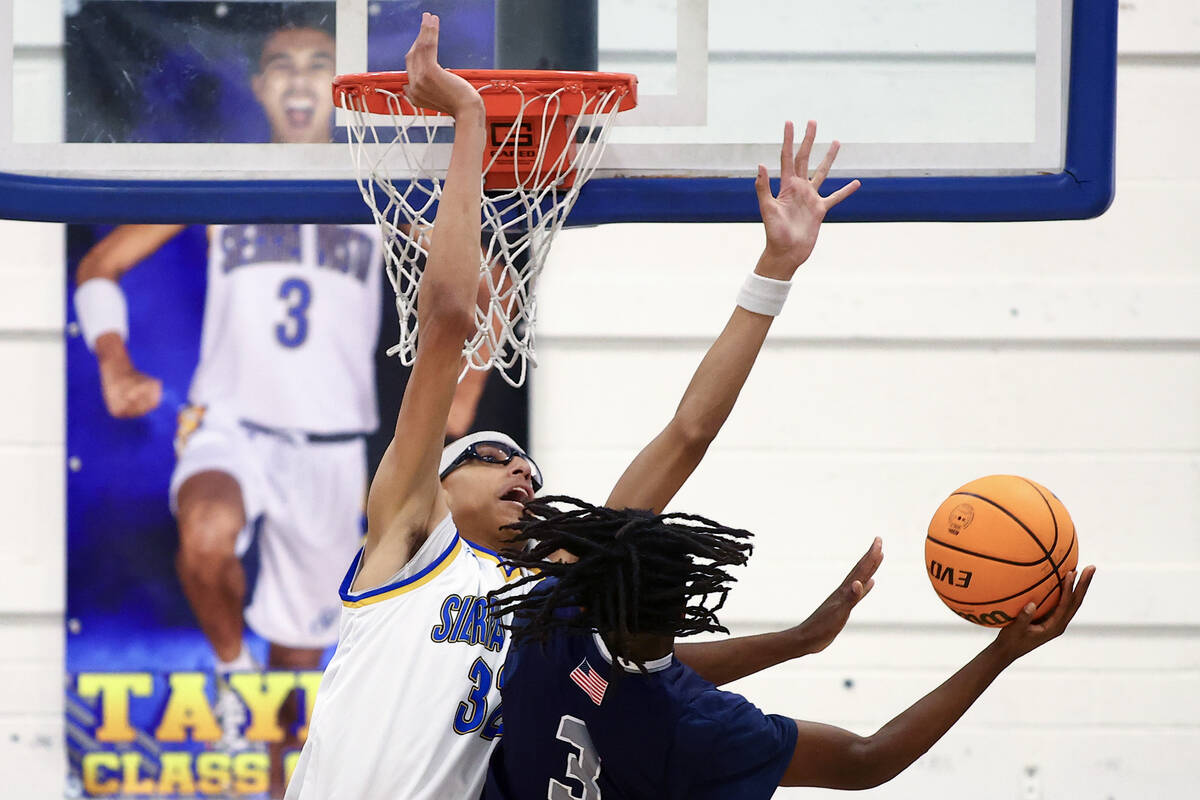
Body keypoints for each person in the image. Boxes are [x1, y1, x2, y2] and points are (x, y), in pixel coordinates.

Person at [286, 13, 867, 800]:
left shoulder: (550, 600)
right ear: (437, 484)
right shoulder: (408, 537)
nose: (521, 470)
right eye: (490, 456)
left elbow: (688, 435)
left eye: (528, 467)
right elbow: (451, 317)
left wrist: (775, 269)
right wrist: (468, 120)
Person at [68, 8, 491, 784]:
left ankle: (272, 774)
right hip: (228, 425)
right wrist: (113, 360)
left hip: (331, 449)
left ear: (338, 91)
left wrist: (463, 399)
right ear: (261, 87)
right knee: (206, 535)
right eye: (283, 66)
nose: (299, 80)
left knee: (298, 689)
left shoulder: (377, 191)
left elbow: (487, 288)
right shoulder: (225, 181)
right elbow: (100, 266)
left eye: (316, 65)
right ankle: (232, 679)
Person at [485, 497, 1095, 798]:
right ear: (687, 607)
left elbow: (629, 675)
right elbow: (867, 760)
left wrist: (799, 641)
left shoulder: (548, 623)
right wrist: (1001, 652)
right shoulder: (697, 727)